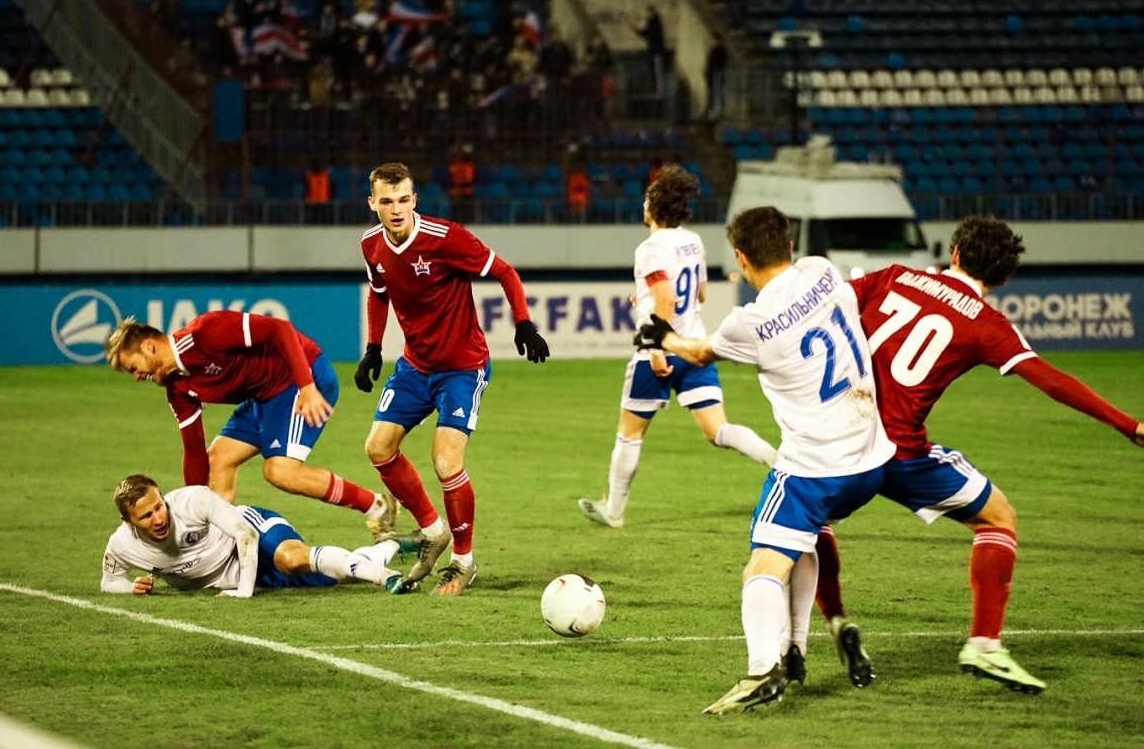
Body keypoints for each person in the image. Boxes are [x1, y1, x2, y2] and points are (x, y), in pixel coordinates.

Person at [811, 216, 1144, 693]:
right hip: (902, 456)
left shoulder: (893, 276)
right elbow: (1051, 381)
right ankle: (985, 644)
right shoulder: (987, 324)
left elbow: (826, 307)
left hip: (841, 441)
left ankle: (837, 620)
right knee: (997, 519)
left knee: (811, 521)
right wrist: (1128, 425)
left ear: (956, 252)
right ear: (1003, 277)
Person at [634, 205, 895, 713]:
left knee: (761, 567)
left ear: (740, 257)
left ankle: (761, 671)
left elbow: (702, 353)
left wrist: (663, 338)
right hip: (870, 459)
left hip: (815, 466)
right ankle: (795, 646)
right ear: (791, 245)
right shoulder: (823, 270)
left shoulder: (748, 322)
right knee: (804, 536)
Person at [356, 163, 550, 596]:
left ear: (414, 199)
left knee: (446, 461)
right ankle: (431, 530)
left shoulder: (446, 238)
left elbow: (505, 272)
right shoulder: (371, 245)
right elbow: (380, 294)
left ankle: (463, 560)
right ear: (373, 204)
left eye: (403, 199)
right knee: (378, 447)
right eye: (386, 201)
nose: (396, 209)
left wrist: (524, 323)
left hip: (462, 367)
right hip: (414, 366)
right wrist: (372, 349)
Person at [579, 167, 777, 528]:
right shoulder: (694, 241)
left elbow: (666, 297)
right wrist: (647, 300)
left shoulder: (650, 248)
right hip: (694, 345)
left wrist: (656, 348)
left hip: (659, 353)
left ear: (652, 207)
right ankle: (782, 465)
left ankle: (615, 513)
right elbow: (699, 293)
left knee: (629, 433)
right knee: (718, 430)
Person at [103, 313, 398, 538]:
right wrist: (191, 511)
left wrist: (307, 387)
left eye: (133, 367)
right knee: (218, 458)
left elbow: (279, 329)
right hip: (265, 396)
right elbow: (194, 454)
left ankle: (377, 506)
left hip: (300, 376)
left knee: (279, 471)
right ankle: (218, 548)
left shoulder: (205, 333)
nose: (137, 377)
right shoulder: (177, 389)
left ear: (149, 346)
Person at [101, 475, 419, 597]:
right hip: (242, 573)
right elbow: (109, 582)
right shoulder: (122, 545)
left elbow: (246, 536)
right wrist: (130, 587)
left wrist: (243, 592)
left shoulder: (191, 501)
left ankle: (386, 577)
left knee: (292, 559)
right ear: (128, 522)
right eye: (146, 516)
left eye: (159, 506)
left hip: (251, 534)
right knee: (337, 578)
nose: (159, 518)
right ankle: (392, 545)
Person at [705, 36, 729, 121]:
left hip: (717, 73)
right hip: (713, 74)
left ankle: (717, 112)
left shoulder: (719, 50)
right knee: (714, 93)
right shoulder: (715, 50)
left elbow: (718, 63)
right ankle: (715, 112)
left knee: (717, 93)